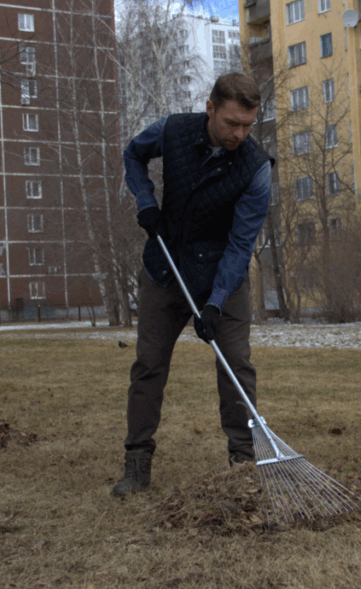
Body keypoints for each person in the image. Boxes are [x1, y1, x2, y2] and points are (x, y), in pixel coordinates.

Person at [111, 73, 273, 497]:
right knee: (148, 365)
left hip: (224, 272)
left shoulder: (256, 170)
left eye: (248, 126)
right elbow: (133, 155)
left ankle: (243, 462)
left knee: (236, 363)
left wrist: (216, 303)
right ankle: (137, 463)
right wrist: (146, 202)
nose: (239, 134)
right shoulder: (173, 130)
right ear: (210, 109)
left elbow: (240, 244)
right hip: (167, 266)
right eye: (231, 123)